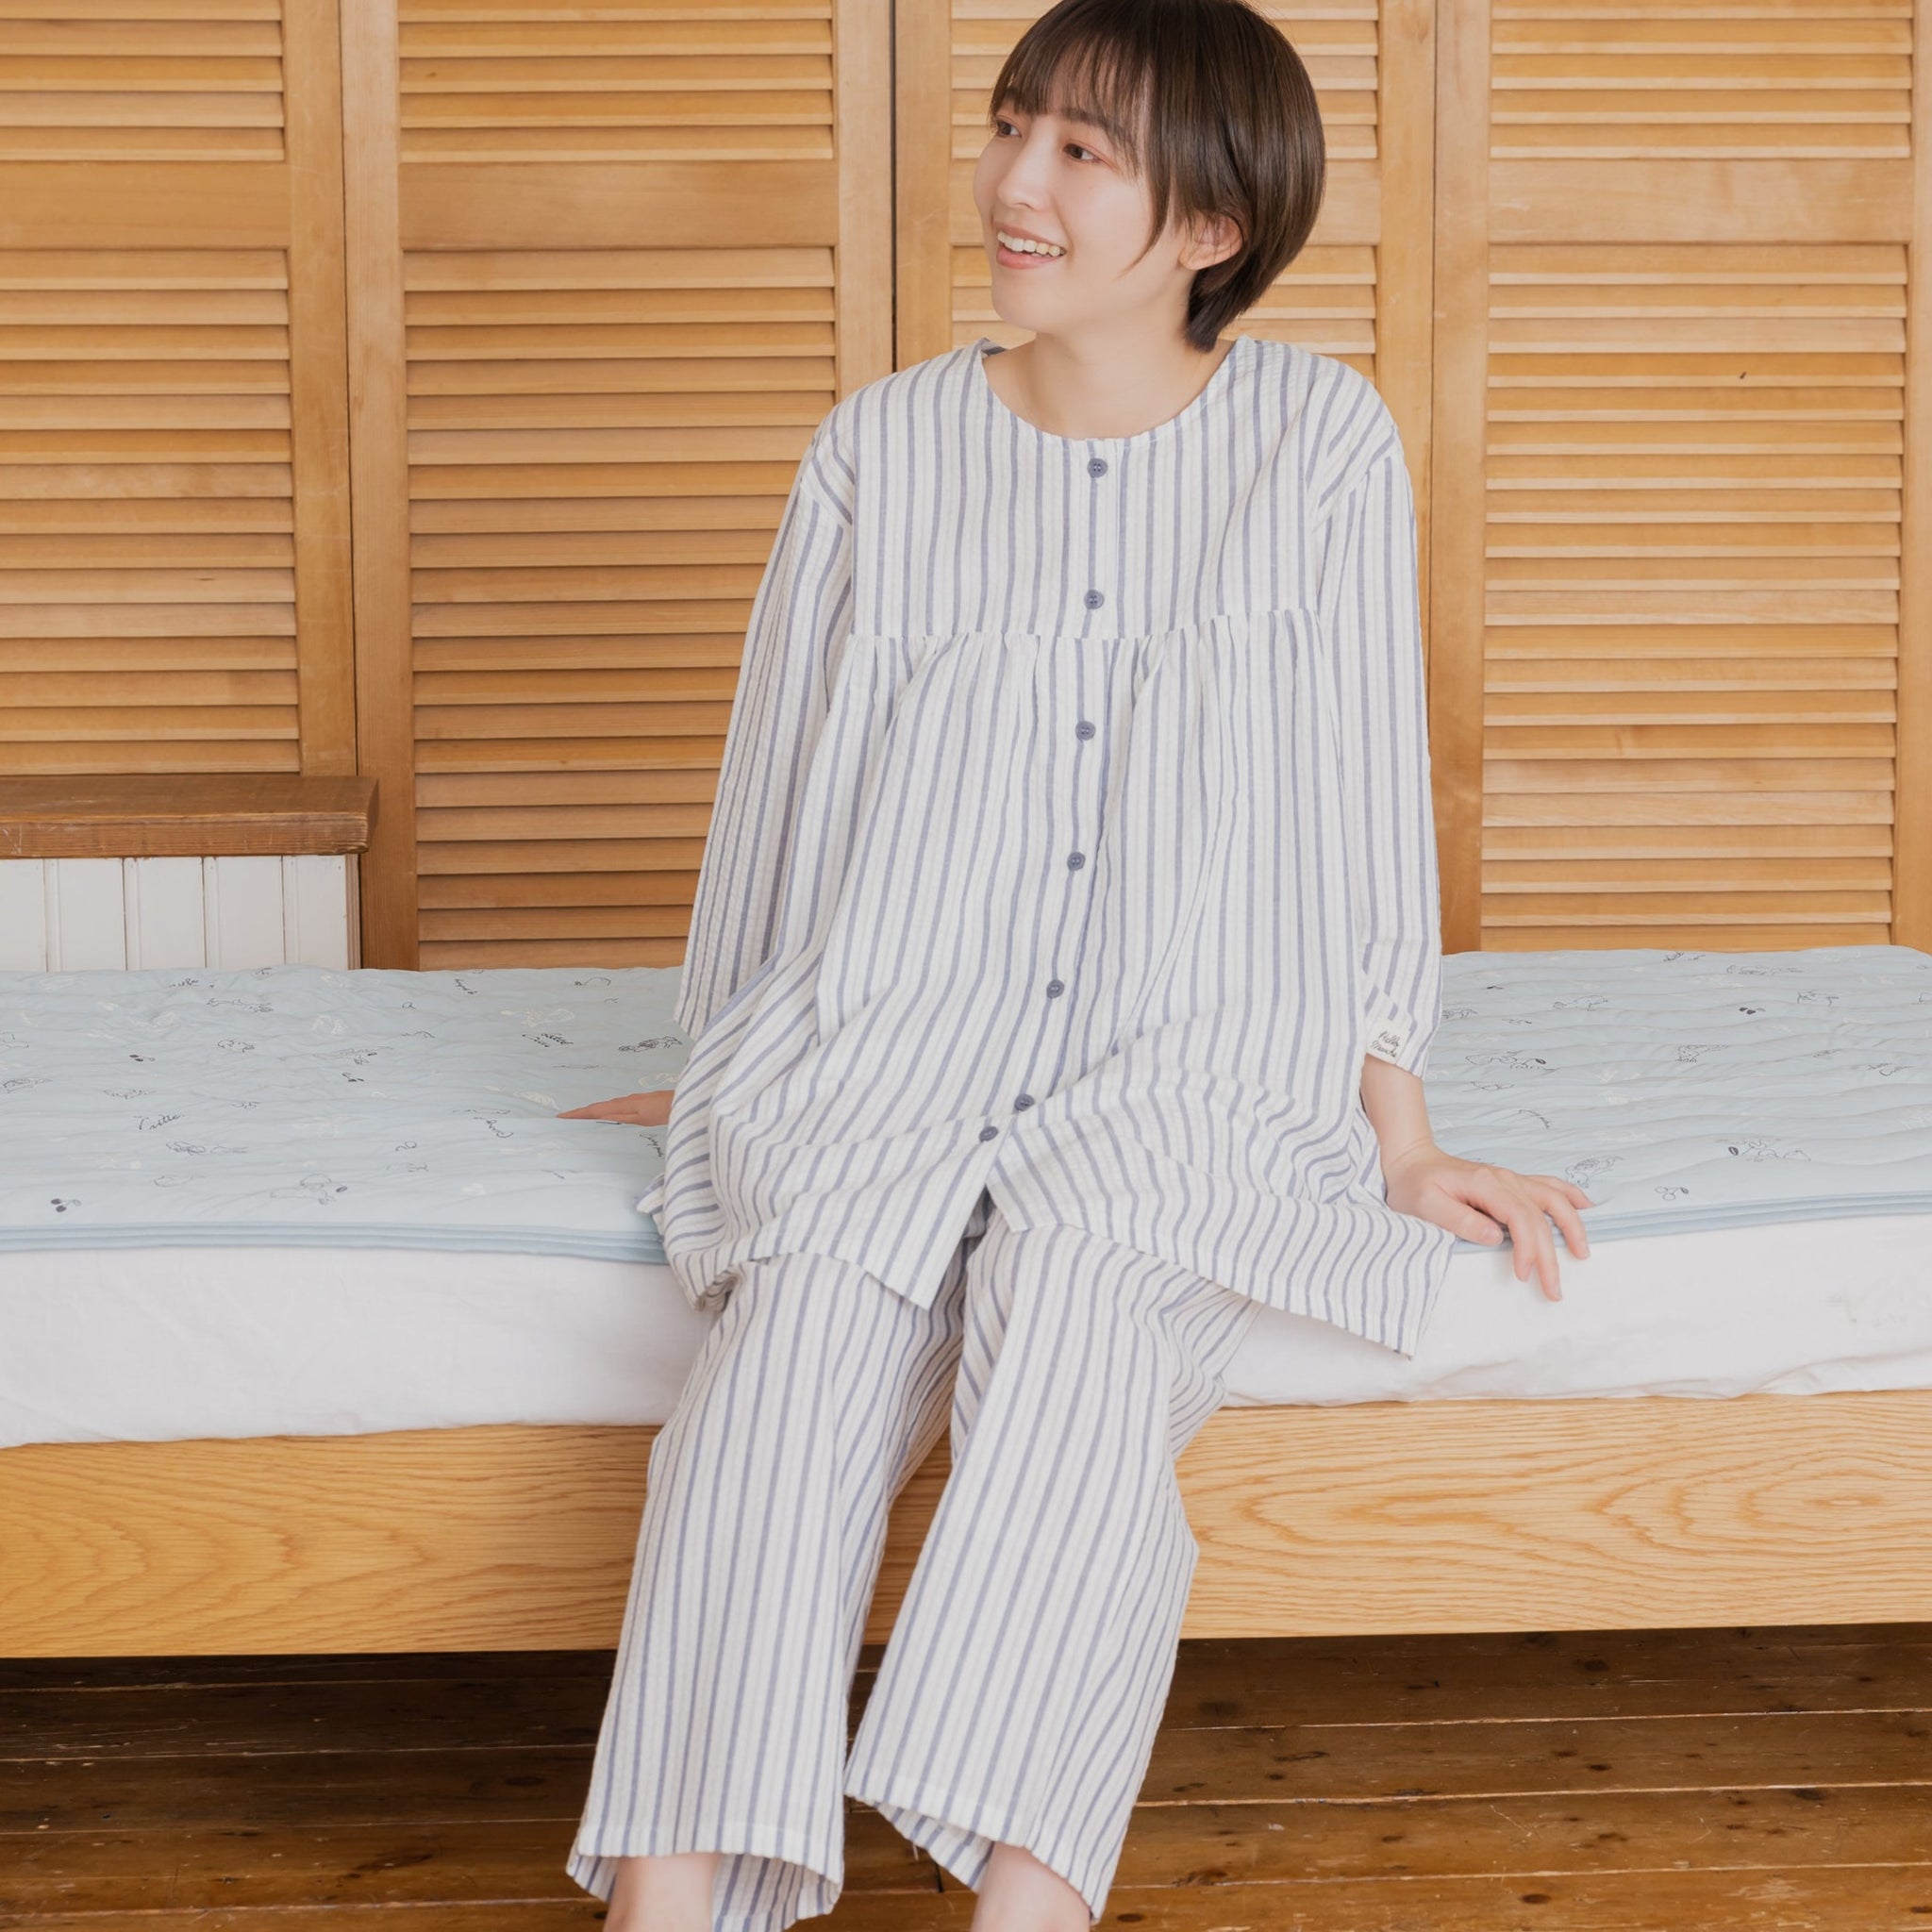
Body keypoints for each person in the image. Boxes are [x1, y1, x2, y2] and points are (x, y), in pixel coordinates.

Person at [558, 0, 1592, 1923]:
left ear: (1211, 222)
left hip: (1186, 1060)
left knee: (1078, 1308)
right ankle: (667, 1905)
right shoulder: (880, 451)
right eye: (1013, 125)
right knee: (791, 1345)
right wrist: (732, 1060)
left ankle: (1024, 1910)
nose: (1012, 182)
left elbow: (1364, 800)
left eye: (1081, 151)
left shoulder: (1317, 444)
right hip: (894, 1042)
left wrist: (1396, 1127)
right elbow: (781, 791)